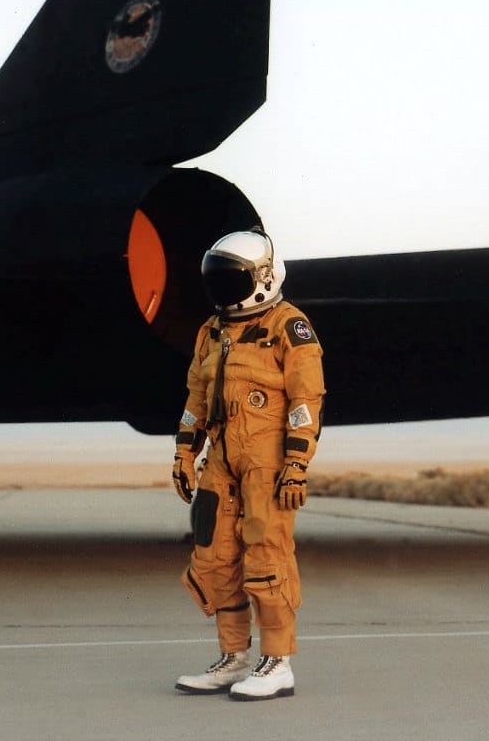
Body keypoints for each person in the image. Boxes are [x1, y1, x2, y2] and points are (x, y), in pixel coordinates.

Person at [171, 229, 325, 700]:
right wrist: (184, 451)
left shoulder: (287, 326)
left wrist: (296, 463)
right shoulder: (213, 330)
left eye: (232, 279)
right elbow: (197, 397)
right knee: (215, 558)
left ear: (263, 277)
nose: (222, 289)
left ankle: (277, 663)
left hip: (266, 462)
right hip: (221, 458)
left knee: (266, 557)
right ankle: (234, 657)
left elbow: (306, 400)